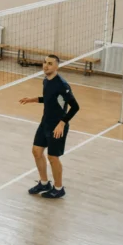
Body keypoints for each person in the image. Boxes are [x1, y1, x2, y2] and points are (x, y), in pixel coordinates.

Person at [20, 54, 80, 199]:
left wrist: (62, 123)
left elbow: (75, 107)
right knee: (36, 151)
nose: (46, 66)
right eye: (45, 63)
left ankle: (59, 188)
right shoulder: (46, 80)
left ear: (56, 66)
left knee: (53, 157)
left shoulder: (62, 85)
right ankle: (44, 183)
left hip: (57, 125)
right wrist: (33, 99)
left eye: (50, 63)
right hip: (45, 122)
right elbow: (49, 99)